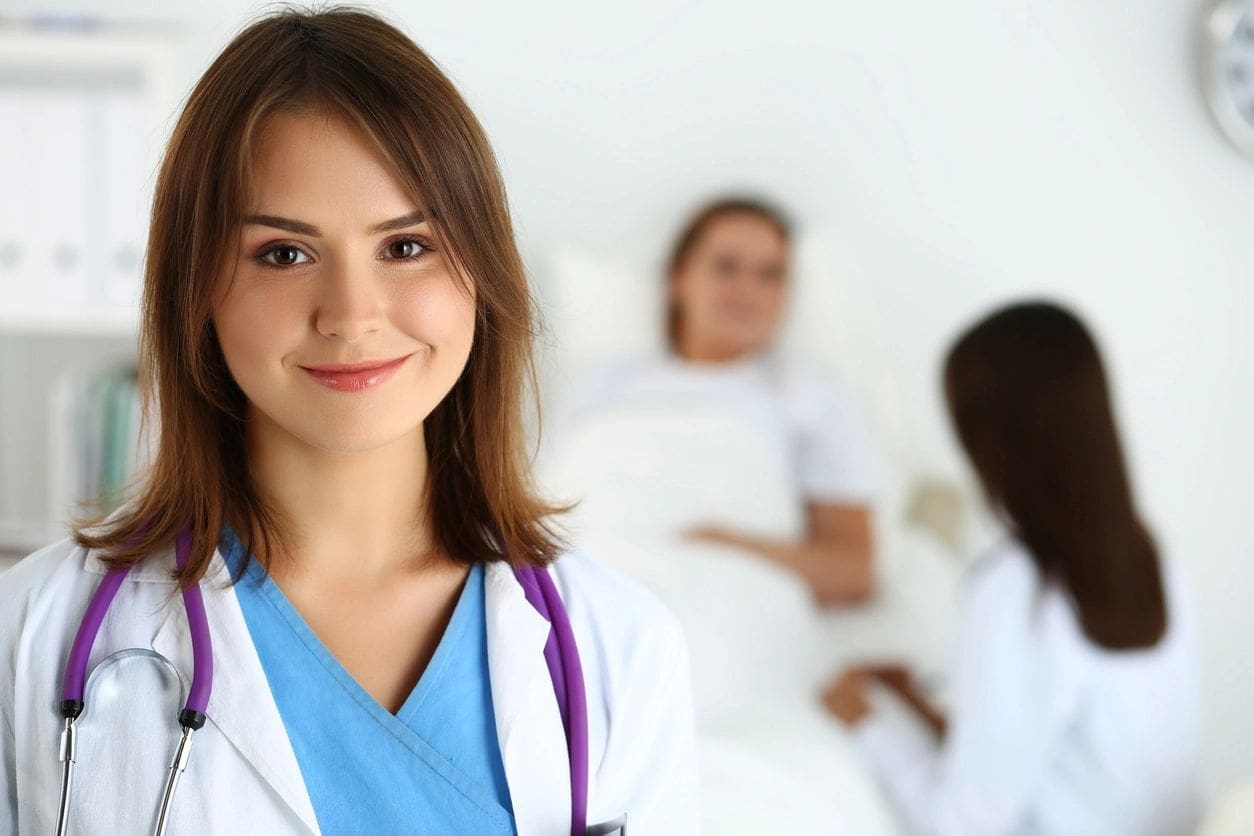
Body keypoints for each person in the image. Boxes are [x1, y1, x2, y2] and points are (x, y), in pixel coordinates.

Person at [0, 8, 698, 835]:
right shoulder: (34, 633)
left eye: (406, 246)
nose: (351, 314)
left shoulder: (617, 648)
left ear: (482, 271)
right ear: (198, 293)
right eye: (284, 254)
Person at [824, 301, 1202, 835]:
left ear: (984, 435)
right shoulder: (1149, 560)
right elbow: (1070, 764)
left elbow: (964, 824)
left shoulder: (1018, 588)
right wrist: (919, 710)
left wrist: (863, 724)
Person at [555, 198, 880, 605]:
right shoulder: (600, 383)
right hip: (589, 581)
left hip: (726, 596)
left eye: (769, 274)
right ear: (678, 279)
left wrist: (732, 552)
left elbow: (853, 574)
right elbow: (538, 509)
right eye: (726, 266)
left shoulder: (811, 397)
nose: (747, 289)